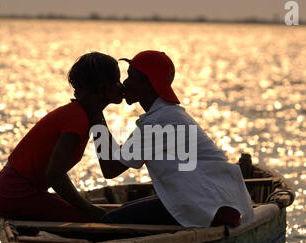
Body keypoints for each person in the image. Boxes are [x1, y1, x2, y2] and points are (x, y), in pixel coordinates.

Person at [91, 50, 255, 227]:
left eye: (131, 77)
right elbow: (117, 159)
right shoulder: (167, 115)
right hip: (219, 203)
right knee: (125, 209)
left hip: (207, 207)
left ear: (149, 83)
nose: (125, 83)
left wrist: (95, 112)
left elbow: (110, 168)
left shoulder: (158, 122)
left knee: (109, 221)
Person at [0, 52, 124, 222]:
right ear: (102, 88)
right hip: (14, 194)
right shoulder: (77, 119)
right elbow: (55, 175)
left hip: (21, 193)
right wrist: (89, 210)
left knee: (96, 213)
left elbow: (108, 166)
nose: (122, 87)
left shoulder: (88, 115)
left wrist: (98, 116)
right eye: (117, 81)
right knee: (95, 219)